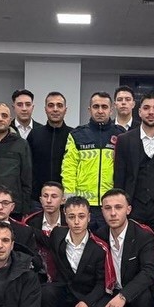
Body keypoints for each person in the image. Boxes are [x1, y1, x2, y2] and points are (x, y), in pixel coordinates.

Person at [91, 189, 154, 307]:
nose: (113, 213)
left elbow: (149, 271)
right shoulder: (99, 235)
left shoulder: (143, 235)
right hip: (113, 289)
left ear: (128, 209)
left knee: (145, 300)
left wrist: (123, 296)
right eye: (108, 208)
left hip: (135, 291)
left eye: (118, 207)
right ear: (102, 211)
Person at [46, 196, 111, 307]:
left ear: (89, 217)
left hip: (85, 293)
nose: (76, 222)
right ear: (65, 217)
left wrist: (87, 302)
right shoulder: (57, 234)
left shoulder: (99, 247)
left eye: (81, 216)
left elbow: (102, 282)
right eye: (71, 217)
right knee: (46, 292)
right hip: (64, 289)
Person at [114, 94, 154, 235]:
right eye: (146, 108)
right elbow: (119, 177)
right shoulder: (124, 140)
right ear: (140, 112)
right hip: (134, 207)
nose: (151, 112)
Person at [63, 91, 123, 233]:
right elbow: (69, 168)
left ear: (111, 110)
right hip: (83, 205)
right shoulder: (77, 135)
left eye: (104, 107)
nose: (100, 111)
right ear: (89, 109)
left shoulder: (121, 134)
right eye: (96, 107)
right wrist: (71, 200)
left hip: (110, 204)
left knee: (109, 242)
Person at [0, 102, 32, 211]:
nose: (0, 119)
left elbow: (27, 179)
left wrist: (25, 208)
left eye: (4, 116)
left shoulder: (21, 144)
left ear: (10, 120)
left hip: (13, 207)